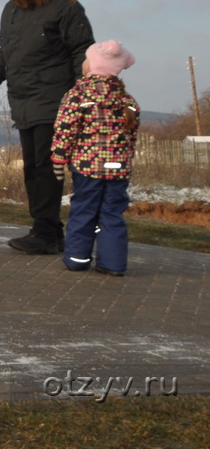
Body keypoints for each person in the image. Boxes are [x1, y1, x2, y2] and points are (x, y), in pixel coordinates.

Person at [0, 0, 94, 256]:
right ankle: (51, 232)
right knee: (33, 168)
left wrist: (84, 94)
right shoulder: (10, 10)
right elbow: (6, 53)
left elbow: (82, 50)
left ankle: (44, 231)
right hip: (24, 101)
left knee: (45, 167)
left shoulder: (65, 6)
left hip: (55, 100)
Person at [53, 41, 140, 276]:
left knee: (84, 210)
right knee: (112, 213)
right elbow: (131, 136)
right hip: (118, 169)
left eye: (86, 58)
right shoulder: (127, 101)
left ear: (94, 65)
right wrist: (126, 158)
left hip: (88, 167)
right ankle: (113, 264)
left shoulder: (78, 95)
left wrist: (59, 159)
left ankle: (77, 258)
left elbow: (65, 129)